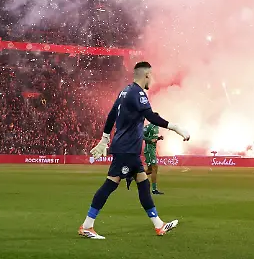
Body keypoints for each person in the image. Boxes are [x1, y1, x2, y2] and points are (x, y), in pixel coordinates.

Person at [78, 61, 190, 240]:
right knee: (110, 185)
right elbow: (151, 116)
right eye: (151, 76)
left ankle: (158, 225)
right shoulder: (138, 93)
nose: (151, 79)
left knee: (143, 183)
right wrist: (175, 127)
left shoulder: (124, 91)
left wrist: (105, 138)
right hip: (126, 150)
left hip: (128, 149)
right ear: (146, 75)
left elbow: (111, 115)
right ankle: (87, 226)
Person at [144, 123, 164, 195]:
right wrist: (150, 140)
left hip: (153, 150)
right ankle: (154, 189)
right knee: (154, 168)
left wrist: (159, 138)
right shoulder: (149, 127)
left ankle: (133, 176)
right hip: (149, 150)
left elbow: (153, 139)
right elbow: (140, 136)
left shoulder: (157, 127)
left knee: (149, 170)